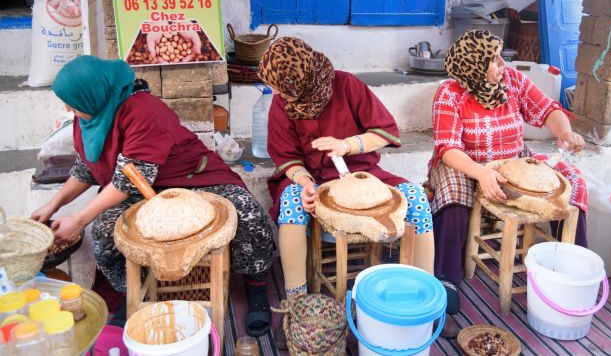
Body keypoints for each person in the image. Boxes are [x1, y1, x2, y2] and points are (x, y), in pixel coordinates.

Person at [31, 55, 275, 337]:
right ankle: (131, 294)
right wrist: (53, 205)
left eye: (71, 101)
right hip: (141, 189)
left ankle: (257, 286)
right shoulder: (90, 113)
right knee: (104, 232)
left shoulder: (144, 111)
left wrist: (80, 218)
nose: (68, 108)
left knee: (246, 211)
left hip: (190, 177)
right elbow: (86, 166)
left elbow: (124, 180)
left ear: (92, 92)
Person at [427, 30, 588, 332]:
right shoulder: (450, 93)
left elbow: (547, 110)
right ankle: (445, 279)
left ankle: (572, 264)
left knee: (572, 180)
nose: (503, 63)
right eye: (493, 58)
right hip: (465, 164)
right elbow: (447, 148)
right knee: (453, 192)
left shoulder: (511, 81)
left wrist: (564, 132)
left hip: (513, 160)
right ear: (473, 66)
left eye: (501, 55)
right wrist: (482, 172)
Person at [258, 37, 435, 303]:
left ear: (302, 79)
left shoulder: (347, 86)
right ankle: (296, 303)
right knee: (293, 201)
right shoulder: (282, 103)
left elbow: (385, 132)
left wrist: (347, 145)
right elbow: (286, 157)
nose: (279, 96)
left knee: (416, 198)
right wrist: (304, 182)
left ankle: (425, 294)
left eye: (284, 90)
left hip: (363, 178)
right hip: (315, 181)